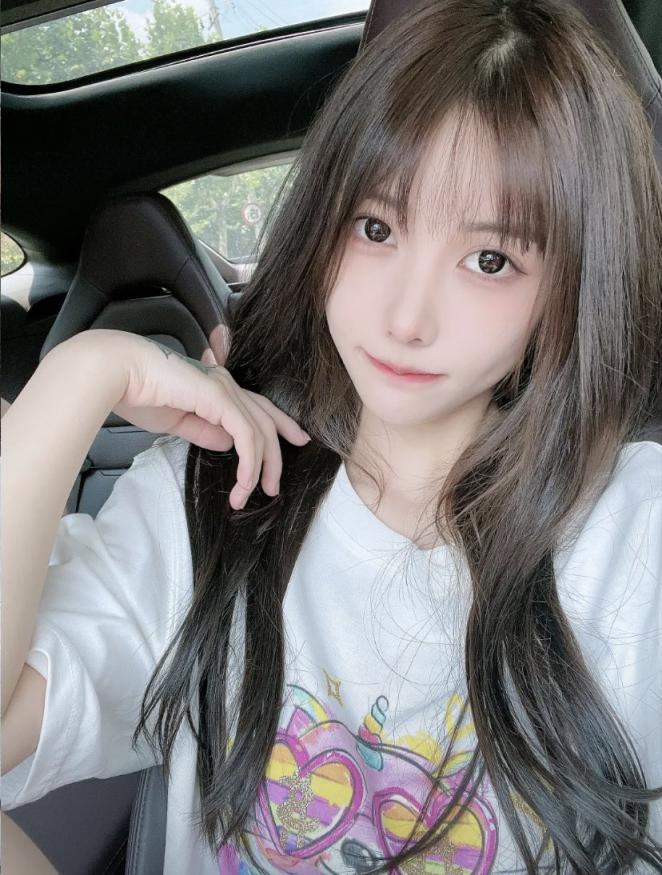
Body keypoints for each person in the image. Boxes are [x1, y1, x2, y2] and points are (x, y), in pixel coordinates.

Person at [2, 0, 662, 871]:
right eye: (376, 227)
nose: (406, 318)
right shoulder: (209, 499)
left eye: (490, 260)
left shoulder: (635, 532)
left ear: (568, 286)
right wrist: (78, 377)